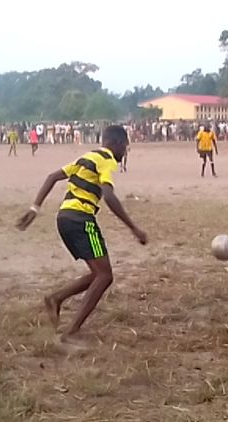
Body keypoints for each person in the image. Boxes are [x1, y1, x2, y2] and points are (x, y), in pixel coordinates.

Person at [16, 125, 148, 344]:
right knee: (105, 276)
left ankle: (56, 298)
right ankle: (71, 331)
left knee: (98, 273)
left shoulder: (87, 157)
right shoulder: (106, 160)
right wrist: (133, 227)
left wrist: (35, 208)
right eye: (125, 146)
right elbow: (109, 196)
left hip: (64, 218)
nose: (125, 151)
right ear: (116, 143)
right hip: (81, 220)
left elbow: (52, 177)